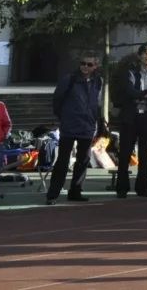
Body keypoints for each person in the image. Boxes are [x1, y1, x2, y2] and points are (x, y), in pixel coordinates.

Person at [47, 51, 107, 204]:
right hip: (69, 125)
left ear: (95, 66)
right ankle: (53, 193)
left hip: (87, 126)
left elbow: (98, 103)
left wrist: (99, 121)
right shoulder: (69, 80)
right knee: (62, 160)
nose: (85, 67)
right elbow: (57, 100)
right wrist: (64, 117)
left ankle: (75, 191)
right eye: (83, 63)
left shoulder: (98, 81)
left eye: (89, 64)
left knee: (83, 160)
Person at [116, 43, 147, 198]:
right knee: (125, 154)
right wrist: (146, 93)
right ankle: (122, 188)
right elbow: (130, 91)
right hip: (131, 117)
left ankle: (142, 188)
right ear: (139, 56)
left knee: (145, 155)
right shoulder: (131, 73)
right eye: (144, 53)